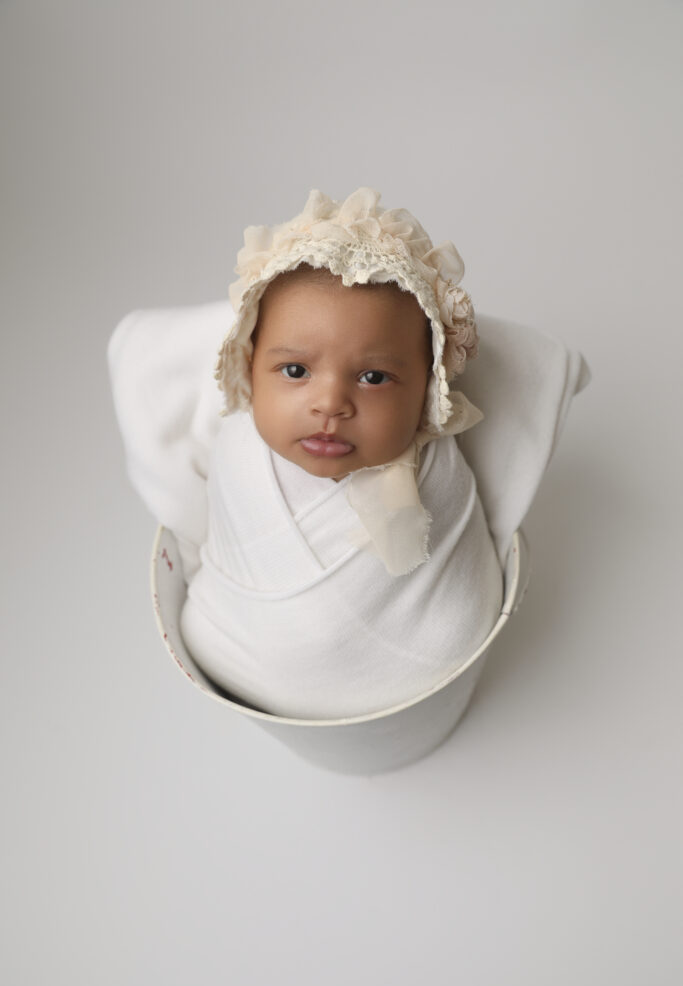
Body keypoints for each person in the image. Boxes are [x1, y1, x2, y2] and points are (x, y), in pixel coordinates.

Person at [108, 187, 588, 720]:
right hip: (237, 655)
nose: (330, 404)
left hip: (423, 685)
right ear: (248, 365)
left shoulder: (437, 472)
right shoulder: (237, 449)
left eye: (374, 377)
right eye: (295, 371)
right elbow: (205, 531)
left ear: (429, 390)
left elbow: (458, 593)